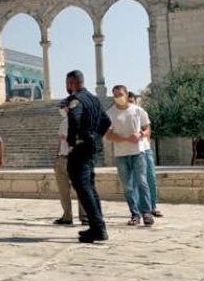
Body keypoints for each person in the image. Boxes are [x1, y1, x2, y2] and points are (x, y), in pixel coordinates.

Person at [64, 70, 111, 243]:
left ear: (72, 83)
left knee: (83, 188)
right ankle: (97, 226)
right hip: (91, 148)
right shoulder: (94, 99)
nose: (67, 87)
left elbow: (75, 119)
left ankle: (98, 228)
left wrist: (74, 140)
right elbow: (106, 122)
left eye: (68, 83)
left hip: (81, 149)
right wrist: (95, 138)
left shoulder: (76, 100)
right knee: (90, 187)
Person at [106, 85, 154, 227]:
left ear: (127, 94)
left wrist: (141, 134)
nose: (118, 97)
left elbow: (147, 128)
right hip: (121, 154)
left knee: (142, 182)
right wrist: (123, 139)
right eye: (115, 95)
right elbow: (108, 134)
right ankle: (134, 214)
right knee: (128, 186)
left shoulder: (138, 111)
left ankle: (147, 213)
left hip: (138, 152)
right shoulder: (110, 113)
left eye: (120, 94)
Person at [53, 101, 87, 226]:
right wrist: (56, 158)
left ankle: (84, 217)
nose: (62, 110)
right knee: (63, 190)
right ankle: (67, 216)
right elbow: (60, 142)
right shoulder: (63, 122)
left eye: (63, 107)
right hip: (62, 158)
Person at [128, 92, 162, 217]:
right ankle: (139, 209)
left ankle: (152, 206)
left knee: (150, 178)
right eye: (128, 101)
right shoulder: (123, 115)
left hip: (145, 149)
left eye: (132, 100)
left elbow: (148, 130)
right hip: (131, 151)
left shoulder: (141, 112)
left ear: (135, 101)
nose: (130, 103)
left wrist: (141, 135)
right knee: (135, 182)